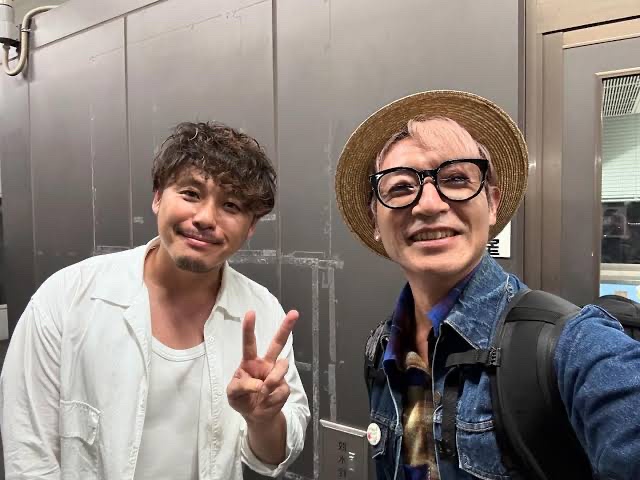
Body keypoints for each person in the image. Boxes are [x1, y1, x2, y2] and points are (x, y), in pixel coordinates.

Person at [334, 90, 640, 479]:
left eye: (455, 179)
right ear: (375, 220)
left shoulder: (574, 346)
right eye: (401, 187)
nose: (429, 204)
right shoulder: (383, 349)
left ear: (492, 203)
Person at [0, 121, 310, 480]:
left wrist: (262, 420)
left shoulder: (263, 312)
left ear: (251, 226)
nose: (205, 218)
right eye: (191, 193)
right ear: (158, 196)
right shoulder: (66, 299)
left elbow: (274, 456)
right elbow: (29, 456)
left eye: (231, 205)